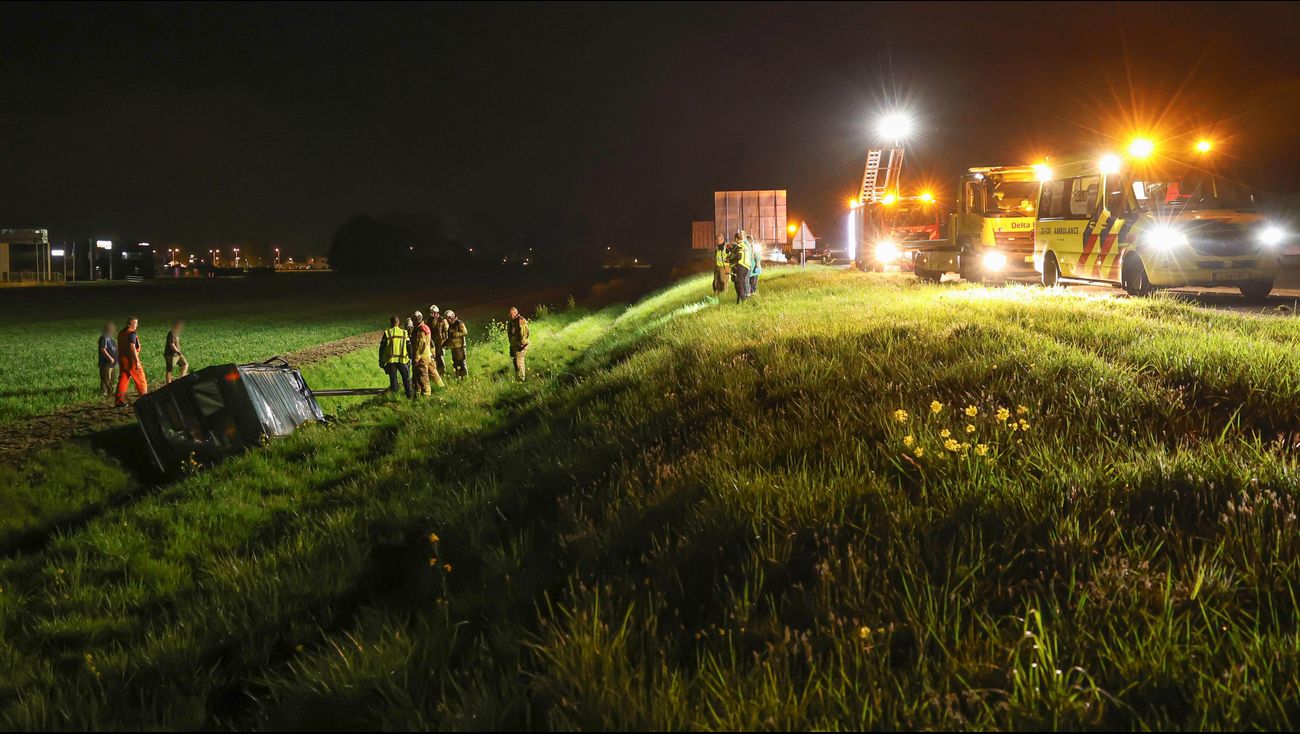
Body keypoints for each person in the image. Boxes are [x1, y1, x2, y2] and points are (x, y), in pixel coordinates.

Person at [114, 317, 148, 407]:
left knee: (123, 380)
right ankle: (145, 399)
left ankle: (119, 401)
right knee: (141, 379)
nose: (137, 325)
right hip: (131, 360)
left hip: (122, 359)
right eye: (135, 323)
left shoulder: (121, 333)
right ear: (130, 324)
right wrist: (136, 360)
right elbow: (132, 347)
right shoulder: (132, 334)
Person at [409, 310, 442, 396]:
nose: (412, 321)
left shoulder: (420, 330)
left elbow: (421, 345)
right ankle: (441, 387)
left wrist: (416, 357)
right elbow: (430, 342)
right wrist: (433, 353)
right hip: (428, 355)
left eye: (413, 319)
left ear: (416, 320)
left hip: (422, 357)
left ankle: (426, 393)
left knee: (422, 375)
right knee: (433, 372)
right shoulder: (426, 327)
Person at [378, 315, 412, 398]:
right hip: (403, 360)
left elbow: (382, 347)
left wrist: (381, 360)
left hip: (391, 360)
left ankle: (395, 398)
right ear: (398, 323)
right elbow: (409, 346)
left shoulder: (387, 333)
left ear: (391, 323)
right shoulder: (404, 333)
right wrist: (411, 357)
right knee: (406, 379)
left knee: (393, 380)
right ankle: (409, 397)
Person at [726, 230, 751, 303]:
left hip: (740, 268)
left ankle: (743, 301)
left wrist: (729, 259)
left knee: (738, 285)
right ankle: (739, 301)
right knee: (741, 284)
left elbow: (737, 256)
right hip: (746, 268)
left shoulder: (738, 246)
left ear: (736, 238)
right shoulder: (744, 246)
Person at [506, 306, 530, 381]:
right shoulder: (513, 321)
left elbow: (524, 334)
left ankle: (521, 379)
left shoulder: (521, 321)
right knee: (515, 361)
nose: (509, 316)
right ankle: (518, 378)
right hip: (515, 345)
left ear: (515, 313)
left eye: (511, 314)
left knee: (518, 361)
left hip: (521, 345)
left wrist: (521, 344)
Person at [444, 309, 468, 379]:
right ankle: (458, 376)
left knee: (462, 362)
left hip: (460, 347)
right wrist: (445, 344)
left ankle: (464, 377)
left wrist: (456, 334)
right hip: (454, 347)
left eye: (448, 317)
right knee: (455, 363)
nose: (447, 319)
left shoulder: (459, 323)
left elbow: (465, 332)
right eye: (446, 318)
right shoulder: (450, 325)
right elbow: (450, 337)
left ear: (452, 316)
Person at [164, 319, 189, 384]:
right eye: (180, 325)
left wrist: (179, 353)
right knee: (169, 369)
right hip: (171, 355)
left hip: (177, 354)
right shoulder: (171, 333)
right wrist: (178, 352)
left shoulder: (176, 333)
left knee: (185, 364)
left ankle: (181, 379)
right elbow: (171, 344)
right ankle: (168, 384)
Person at [97, 322, 118, 397]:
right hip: (106, 363)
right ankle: (104, 393)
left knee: (111, 378)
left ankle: (110, 392)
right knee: (106, 378)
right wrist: (110, 358)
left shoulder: (111, 339)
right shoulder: (103, 338)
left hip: (113, 363)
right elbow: (103, 349)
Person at [429, 304, 448, 379]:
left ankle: (443, 372)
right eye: (431, 312)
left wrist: (445, 342)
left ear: (437, 312)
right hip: (433, 342)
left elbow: (446, 332)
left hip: (440, 342)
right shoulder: (430, 320)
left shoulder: (442, 320)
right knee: (434, 358)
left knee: (440, 357)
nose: (432, 314)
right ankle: (436, 373)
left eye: (433, 312)